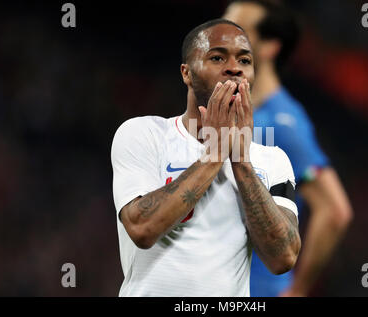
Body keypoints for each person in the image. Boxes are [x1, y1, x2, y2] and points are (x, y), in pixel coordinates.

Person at [110, 18, 301, 297]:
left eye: (245, 60)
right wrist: (215, 153)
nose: (234, 67)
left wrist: (242, 162)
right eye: (217, 57)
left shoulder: (273, 159)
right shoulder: (145, 134)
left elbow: (283, 257)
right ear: (187, 73)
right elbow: (142, 228)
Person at [223, 0, 353, 297]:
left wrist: (297, 291)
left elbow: (334, 210)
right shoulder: (230, 110)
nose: (222, 37)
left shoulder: (283, 122)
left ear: (269, 47)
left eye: (238, 31)